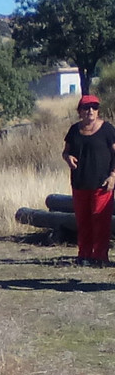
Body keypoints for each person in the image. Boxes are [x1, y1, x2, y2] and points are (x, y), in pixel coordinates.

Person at [61, 94, 115, 266]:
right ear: (79, 111)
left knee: (100, 221)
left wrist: (113, 176)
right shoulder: (74, 130)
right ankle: (84, 255)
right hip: (80, 183)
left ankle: (100, 257)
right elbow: (65, 151)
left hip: (102, 184)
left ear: (98, 110)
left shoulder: (107, 129)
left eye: (94, 107)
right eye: (86, 107)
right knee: (83, 221)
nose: (90, 110)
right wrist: (67, 157)